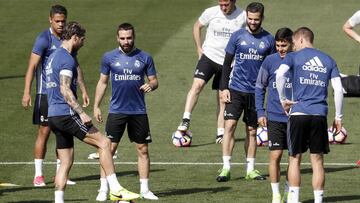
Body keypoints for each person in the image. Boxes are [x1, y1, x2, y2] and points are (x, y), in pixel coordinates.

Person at [45, 21, 139, 203]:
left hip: (53, 115)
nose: (83, 43)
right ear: (74, 38)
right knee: (104, 143)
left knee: (65, 161)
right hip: (66, 113)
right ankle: (116, 190)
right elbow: (65, 89)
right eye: (82, 40)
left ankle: (58, 200)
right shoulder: (66, 58)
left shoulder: (53, 57)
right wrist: (81, 112)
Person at [21, 4, 89, 186]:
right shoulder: (44, 39)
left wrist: (82, 89)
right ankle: (38, 175)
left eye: (63, 21)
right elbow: (32, 66)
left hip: (65, 94)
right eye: (57, 21)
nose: (60, 24)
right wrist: (27, 92)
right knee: (44, 131)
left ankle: (62, 173)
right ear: (50, 19)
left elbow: (75, 65)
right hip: (45, 93)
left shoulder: (68, 39)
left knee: (64, 130)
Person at [276, 27, 344, 203]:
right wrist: (339, 117)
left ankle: (294, 199)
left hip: (298, 113)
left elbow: (280, 74)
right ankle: (318, 201)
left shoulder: (293, 57)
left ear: (299, 40)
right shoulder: (328, 59)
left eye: (293, 43)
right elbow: (338, 90)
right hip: (319, 115)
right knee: (318, 161)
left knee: (294, 158)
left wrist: (283, 99)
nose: (293, 47)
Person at [93, 23, 159, 201]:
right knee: (108, 149)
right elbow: (103, 82)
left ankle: (145, 190)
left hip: (138, 111)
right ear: (117, 38)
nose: (126, 41)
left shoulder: (145, 57)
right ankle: (103, 189)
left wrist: (150, 85)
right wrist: (96, 105)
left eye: (129, 38)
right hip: (116, 111)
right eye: (122, 38)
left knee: (143, 149)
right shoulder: (109, 57)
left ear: (134, 37)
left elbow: (154, 80)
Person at [216, 2, 275, 182]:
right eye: (250, 19)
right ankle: (226, 167)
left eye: (256, 19)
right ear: (246, 18)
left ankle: (250, 169)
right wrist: (224, 87)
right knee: (229, 126)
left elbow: (273, 67)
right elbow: (226, 64)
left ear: (262, 18)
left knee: (251, 131)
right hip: (236, 89)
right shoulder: (237, 36)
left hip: (256, 93)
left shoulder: (269, 40)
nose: (253, 22)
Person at [177, 0, 246, 144]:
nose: (223, 7)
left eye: (226, 4)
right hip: (209, 56)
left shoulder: (243, 16)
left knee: (222, 98)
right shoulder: (211, 12)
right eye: (221, 4)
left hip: (228, 62)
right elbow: (197, 26)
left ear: (233, 2)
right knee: (197, 85)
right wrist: (198, 48)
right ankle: (185, 119)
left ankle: (220, 133)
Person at [255, 27, 293, 203]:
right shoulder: (269, 61)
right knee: (275, 155)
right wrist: (260, 111)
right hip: (275, 116)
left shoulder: (298, 60)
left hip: (295, 117)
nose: (280, 49)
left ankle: (289, 193)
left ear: (291, 43)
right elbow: (259, 87)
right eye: (278, 45)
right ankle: (276, 195)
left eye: (284, 45)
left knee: (294, 158)